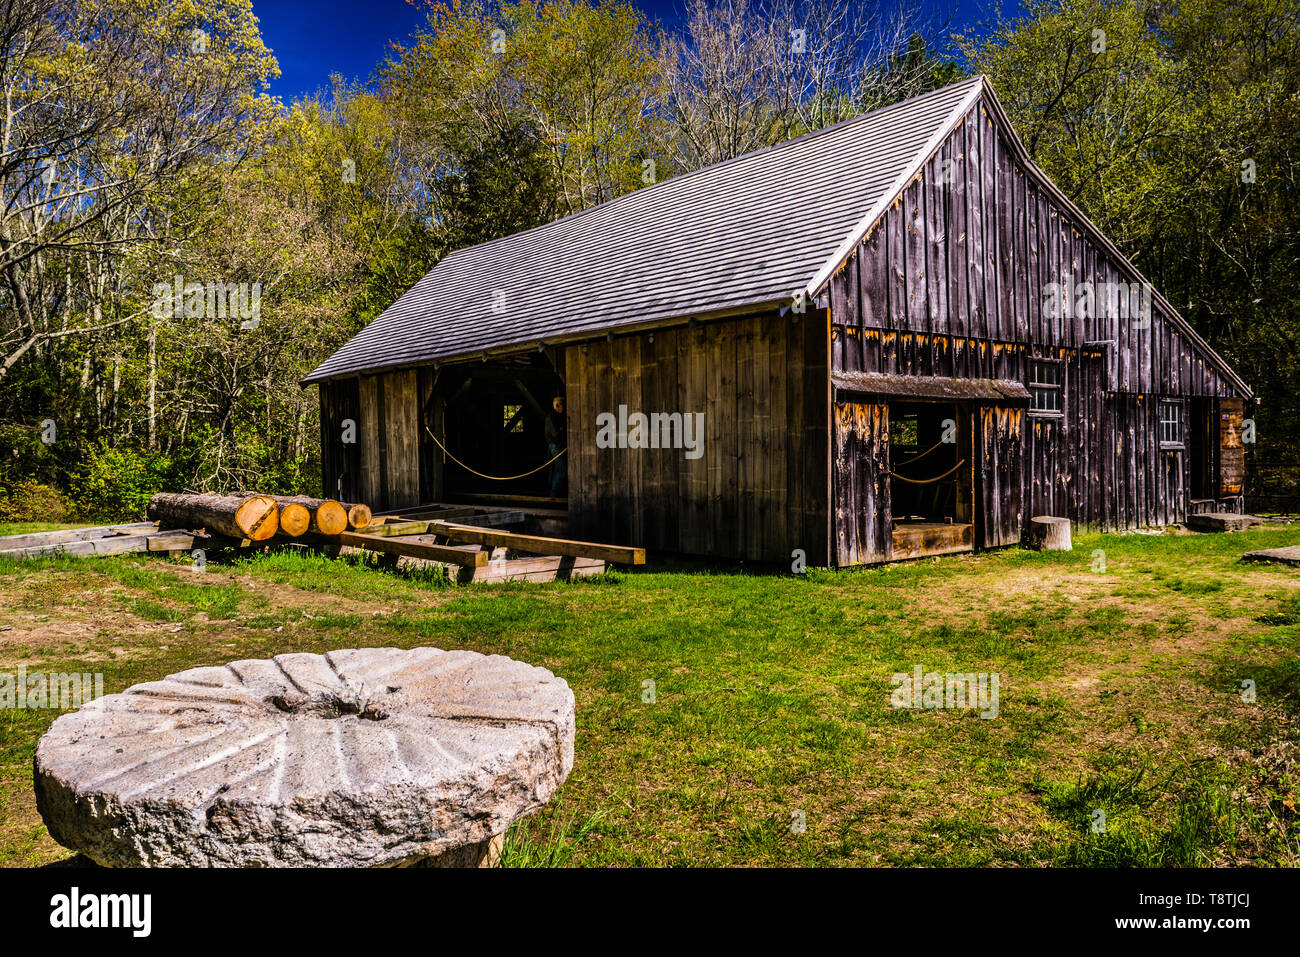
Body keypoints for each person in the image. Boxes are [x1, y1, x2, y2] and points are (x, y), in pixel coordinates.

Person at [544, 395, 566, 498]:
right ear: (557, 405)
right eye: (563, 406)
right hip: (555, 446)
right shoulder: (551, 417)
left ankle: (556, 494)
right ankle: (553, 495)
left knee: (559, 470)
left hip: (558, 446)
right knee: (560, 471)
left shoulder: (556, 417)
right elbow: (556, 433)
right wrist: (563, 431)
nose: (564, 408)